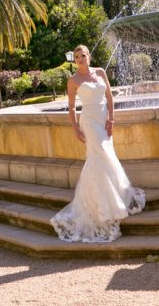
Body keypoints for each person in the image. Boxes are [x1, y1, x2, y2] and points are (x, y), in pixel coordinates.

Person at [50, 45, 145, 242]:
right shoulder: (73, 80)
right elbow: (70, 108)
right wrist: (76, 128)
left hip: (103, 118)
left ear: (89, 57)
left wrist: (111, 120)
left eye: (82, 55)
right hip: (89, 121)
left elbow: (109, 97)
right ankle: (104, 207)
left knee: (106, 157)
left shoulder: (100, 72)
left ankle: (112, 198)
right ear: (74, 60)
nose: (80, 59)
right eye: (76, 56)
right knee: (100, 154)